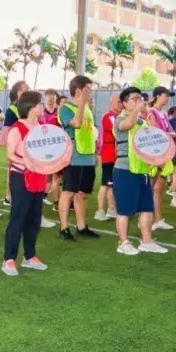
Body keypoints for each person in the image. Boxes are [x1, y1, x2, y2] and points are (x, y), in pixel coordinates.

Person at [111, 87, 168, 255]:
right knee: (124, 210)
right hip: (125, 170)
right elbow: (128, 124)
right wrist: (138, 108)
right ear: (124, 103)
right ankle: (124, 243)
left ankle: (146, 241)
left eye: (140, 98)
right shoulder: (119, 119)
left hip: (142, 171)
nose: (139, 101)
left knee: (146, 208)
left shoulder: (143, 122)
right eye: (134, 99)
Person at [2, 89, 51, 275]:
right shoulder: (17, 128)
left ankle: (30, 256)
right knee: (17, 218)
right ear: (31, 107)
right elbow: (10, 154)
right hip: (21, 177)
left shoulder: (42, 127)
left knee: (34, 219)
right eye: (40, 103)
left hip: (38, 176)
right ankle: (9, 259)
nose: (43, 106)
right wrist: (27, 163)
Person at [56, 76, 101, 241]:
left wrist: (95, 154)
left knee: (82, 194)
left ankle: (82, 227)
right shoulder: (65, 108)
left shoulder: (88, 108)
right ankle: (64, 228)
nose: (90, 93)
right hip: (73, 158)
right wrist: (83, 103)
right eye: (88, 89)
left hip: (87, 157)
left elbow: (91, 132)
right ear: (78, 91)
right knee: (68, 192)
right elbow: (76, 124)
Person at [146, 87, 176, 230]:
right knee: (150, 188)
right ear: (157, 96)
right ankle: (146, 219)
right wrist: (169, 135)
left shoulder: (163, 113)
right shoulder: (151, 112)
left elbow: (171, 131)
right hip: (155, 155)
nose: (167, 99)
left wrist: (170, 135)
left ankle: (158, 219)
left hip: (164, 153)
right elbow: (155, 133)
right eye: (165, 96)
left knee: (159, 189)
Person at [0, 80, 30, 207]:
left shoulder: (29, 108)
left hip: (29, 147)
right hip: (16, 148)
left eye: (27, 88)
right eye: (23, 89)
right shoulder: (12, 110)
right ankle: (10, 196)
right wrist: (8, 150)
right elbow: (6, 128)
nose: (27, 90)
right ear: (17, 93)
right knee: (13, 171)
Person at [95, 93, 120, 220]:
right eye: (118, 101)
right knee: (105, 183)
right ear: (111, 103)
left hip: (115, 155)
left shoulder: (117, 116)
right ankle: (100, 211)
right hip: (109, 154)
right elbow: (117, 131)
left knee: (111, 183)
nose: (120, 104)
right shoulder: (108, 116)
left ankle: (111, 208)